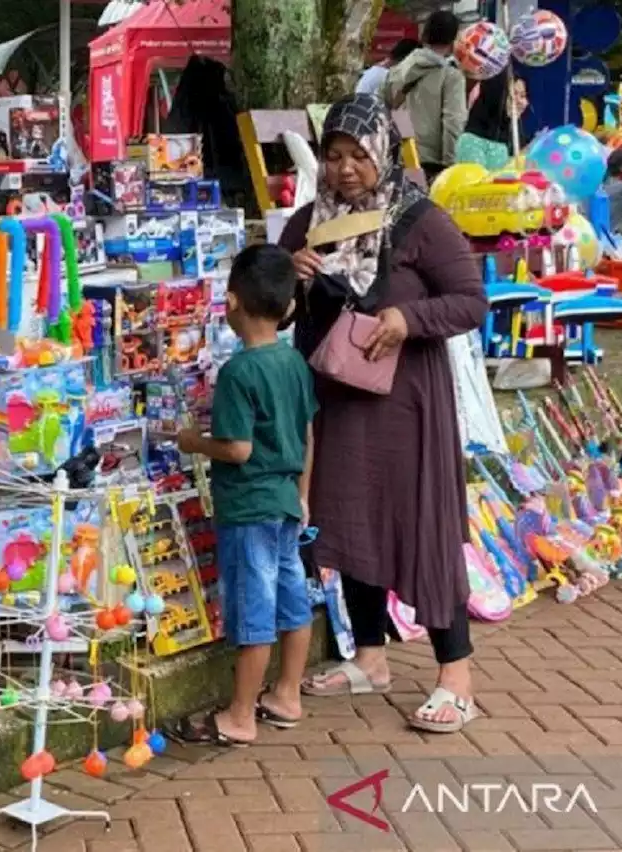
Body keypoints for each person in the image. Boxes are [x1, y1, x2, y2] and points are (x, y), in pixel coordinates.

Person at [279, 95, 488, 734]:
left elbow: (471, 301)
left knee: (418, 525)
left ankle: (457, 676)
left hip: (406, 404)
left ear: (383, 153)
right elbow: (273, 305)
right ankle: (370, 659)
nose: (344, 169)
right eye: (333, 155)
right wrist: (289, 275)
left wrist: (408, 318)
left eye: (357, 155)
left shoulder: (419, 218)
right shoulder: (310, 221)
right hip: (337, 397)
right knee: (349, 525)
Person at [171, 245, 318, 747]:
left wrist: (193, 442)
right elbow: (307, 434)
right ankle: (287, 695)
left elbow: (237, 449)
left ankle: (240, 715)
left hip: (249, 506)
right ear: (289, 306)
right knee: (293, 602)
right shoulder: (294, 361)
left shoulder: (238, 372)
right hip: (284, 502)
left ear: (230, 301)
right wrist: (303, 494)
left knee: (254, 611)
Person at [383, 10, 466, 184]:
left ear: (425, 34)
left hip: (397, 158)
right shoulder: (451, 77)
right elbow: (453, 122)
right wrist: (451, 166)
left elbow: (383, 107)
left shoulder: (397, 70)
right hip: (431, 164)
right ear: (453, 40)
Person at [456, 72, 529, 171]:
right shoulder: (470, 141)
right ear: (496, 95)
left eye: (523, 96)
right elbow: (477, 183)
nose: (519, 101)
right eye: (513, 93)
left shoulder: (514, 136)